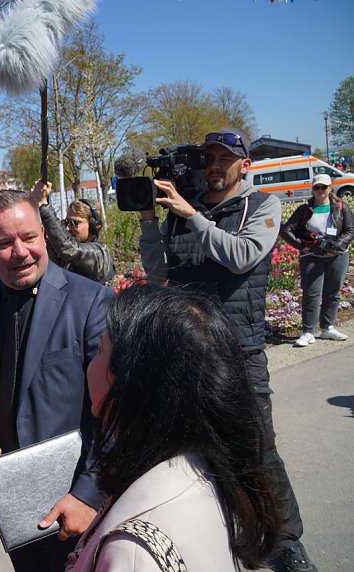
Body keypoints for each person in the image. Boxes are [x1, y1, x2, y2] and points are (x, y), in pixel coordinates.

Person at [138, 127, 315, 572]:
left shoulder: (262, 206)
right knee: (200, 449)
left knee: (258, 450)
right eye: (209, 159)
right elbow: (160, 272)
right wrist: (148, 222)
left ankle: (287, 541)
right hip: (190, 351)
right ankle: (221, 530)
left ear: (244, 165)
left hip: (240, 350)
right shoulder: (184, 209)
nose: (214, 167)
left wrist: (192, 216)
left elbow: (242, 255)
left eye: (224, 159)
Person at [0, 190, 114, 571]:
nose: (20, 252)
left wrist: (89, 494)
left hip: (81, 506)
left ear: (44, 234)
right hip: (17, 506)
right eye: (5, 243)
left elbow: (119, 414)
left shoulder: (93, 302)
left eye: (28, 238)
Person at [67, 283, 280, 570]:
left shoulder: (132, 555)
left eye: (99, 349)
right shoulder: (201, 465)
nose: (91, 364)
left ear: (131, 384)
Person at [280, 173, 354, 347]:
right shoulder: (304, 209)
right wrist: (303, 246)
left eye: (324, 187)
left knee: (333, 292)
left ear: (330, 188)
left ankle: (328, 327)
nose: (320, 190)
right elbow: (286, 230)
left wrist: (335, 244)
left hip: (337, 255)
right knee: (312, 293)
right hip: (312, 256)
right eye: (317, 187)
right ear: (312, 189)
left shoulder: (342, 207)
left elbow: (350, 230)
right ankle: (308, 331)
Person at [30, 181, 116, 284]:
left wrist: (43, 204)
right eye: (67, 222)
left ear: (94, 226)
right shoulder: (67, 257)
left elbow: (70, 249)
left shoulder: (101, 254)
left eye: (75, 223)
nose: (68, 228)